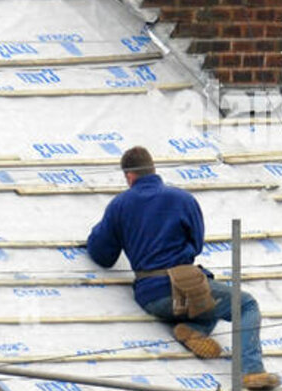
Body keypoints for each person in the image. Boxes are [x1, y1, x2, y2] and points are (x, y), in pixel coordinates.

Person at [85, 146, 263, 373]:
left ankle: (192, 329)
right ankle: (252, 372)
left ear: (129, 176)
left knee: (208, 301)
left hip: (151, 297)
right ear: (153, 169)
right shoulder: (183, 199)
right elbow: (196, 245)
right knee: (245, 304)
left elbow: (103, 256)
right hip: (185, 289)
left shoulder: (119, 205)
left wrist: (94, 238)